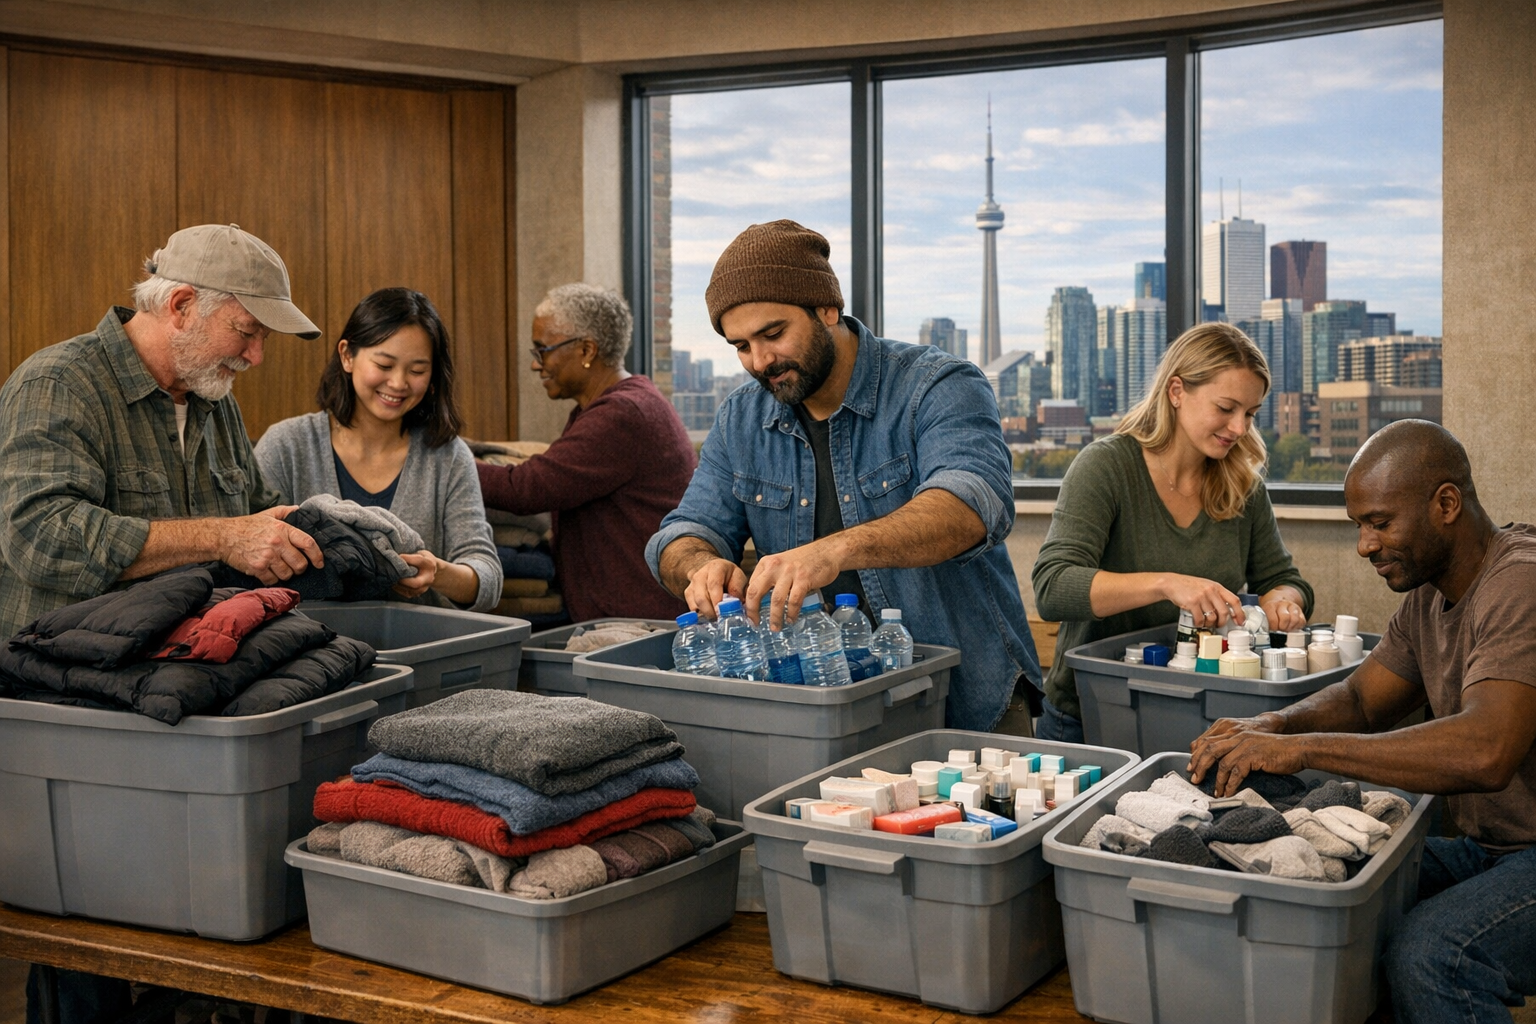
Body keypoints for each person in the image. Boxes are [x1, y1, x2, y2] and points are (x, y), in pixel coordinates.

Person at [0, 224, 324, 1022]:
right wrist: (226, 536)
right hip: (69, 712)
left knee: (188, 938)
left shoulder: (212, 402)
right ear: (180, 304)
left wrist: (286, 531)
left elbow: (241, 525)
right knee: (88, 943)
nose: (254, 356)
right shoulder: (59, 383)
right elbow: (40, 536)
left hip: (174, 697)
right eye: (246, 331)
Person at [1188, 420, 1536, 1024]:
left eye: (1380, 523)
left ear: (1446, 504)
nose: (1365, 546)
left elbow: (1487, 750)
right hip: (1494, 850)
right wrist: (1272, 725)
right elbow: (1361, 700)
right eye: (1359, 527)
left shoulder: (1521, 583)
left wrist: (1302, 751)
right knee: (1340, 880)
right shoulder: (1429, 596)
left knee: (1434, 956)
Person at [645, 219, 1040, 732]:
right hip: (823, 713)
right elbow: (679, 534)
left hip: (966, 702)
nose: (760, 361)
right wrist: (700, 566)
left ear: (827, 309)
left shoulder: (938, 384)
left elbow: (969, 506)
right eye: (740, 346)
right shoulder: (741, 418)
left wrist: (835, 550)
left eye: (773, 334)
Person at [1030, 323, 1313, 743]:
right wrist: (1167, 584)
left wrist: (1283, 601)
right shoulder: (1105, 467)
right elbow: (1052, 587)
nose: (1239, 428)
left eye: (1250, 414)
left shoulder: (1244, 486)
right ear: (1177, 391)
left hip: (1201, 717)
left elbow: (1284, 581)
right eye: (1226, 408)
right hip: (1092, 716)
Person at [254, 288, 501, 612]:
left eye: (416, 371)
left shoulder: (448, 457)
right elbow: (251, 554)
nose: (398, 383)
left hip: (421, 649)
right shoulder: (287, 446)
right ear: (347, 355)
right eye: (384, 365)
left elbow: (487, 578)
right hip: (305, 651)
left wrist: (437, 572)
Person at [477, 283, 693, 621]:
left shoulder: (622, 414)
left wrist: (441, 461)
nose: (537, 365)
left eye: (542, 350)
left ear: (587, 350)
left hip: (638, 622)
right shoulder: (616, 405)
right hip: (622, 611)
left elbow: (526, 488)